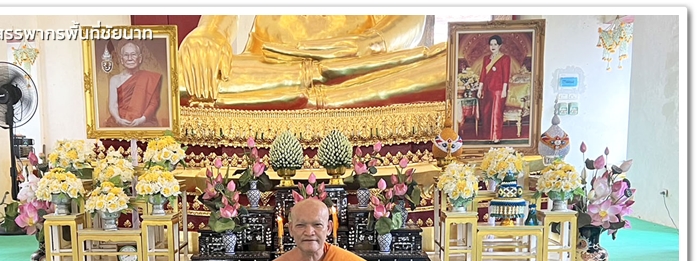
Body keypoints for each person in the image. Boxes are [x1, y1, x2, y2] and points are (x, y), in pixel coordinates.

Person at [178, 15, 447, 109]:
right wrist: (208, 33)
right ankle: (332, 91)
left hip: (359, 66)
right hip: (274, 65)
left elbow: (409, 16)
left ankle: (315, 90)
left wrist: (372, 42)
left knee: (446, 64)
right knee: (183, 78)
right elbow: (220, 19)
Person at [105, 41, 163, 127]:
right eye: (126, 55)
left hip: (144, 121)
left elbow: (154, 103)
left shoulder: (150, 78)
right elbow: (113, 104)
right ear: (122, 60)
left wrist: (142, 119)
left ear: (139, 59)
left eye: (133, 54)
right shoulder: (115, 80)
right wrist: (118, 119)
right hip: (120, 121)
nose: (130, 58)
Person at [476, 34, 511, 144]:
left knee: (496, 113)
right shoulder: (486, 59)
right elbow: (483, 74)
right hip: (487, 89)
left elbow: (506, 75)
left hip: (498, 90)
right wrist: (479, 89)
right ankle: (488, 136)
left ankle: (496, 136)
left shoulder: (505, 58)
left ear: (500, 45)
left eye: (495, 44)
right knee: (486, 113)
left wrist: (504, 90)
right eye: (491, 44)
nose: (493, 46)